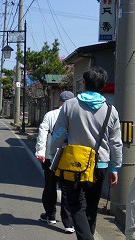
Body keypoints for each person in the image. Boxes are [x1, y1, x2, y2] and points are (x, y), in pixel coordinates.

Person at [51, 66, 123, 240]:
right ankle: (88, 234)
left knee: (75, 205)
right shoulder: (110, 110)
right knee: (91, 206)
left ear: (83, 84)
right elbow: (116, 143)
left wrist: (53, 154)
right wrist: (115, 168)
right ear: (103, 85)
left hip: (74, 165)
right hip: (100, 165)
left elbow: (58, 134)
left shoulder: (69, 105)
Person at [35, 90, 75, 234]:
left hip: (50, 156)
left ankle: (50, 215)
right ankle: (68, 223)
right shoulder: (75, 115)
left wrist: (40, 151)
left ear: (59, 102)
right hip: (69, 157)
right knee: (66, 189)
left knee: (50, 185)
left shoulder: (50, 115)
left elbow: (42, 133)